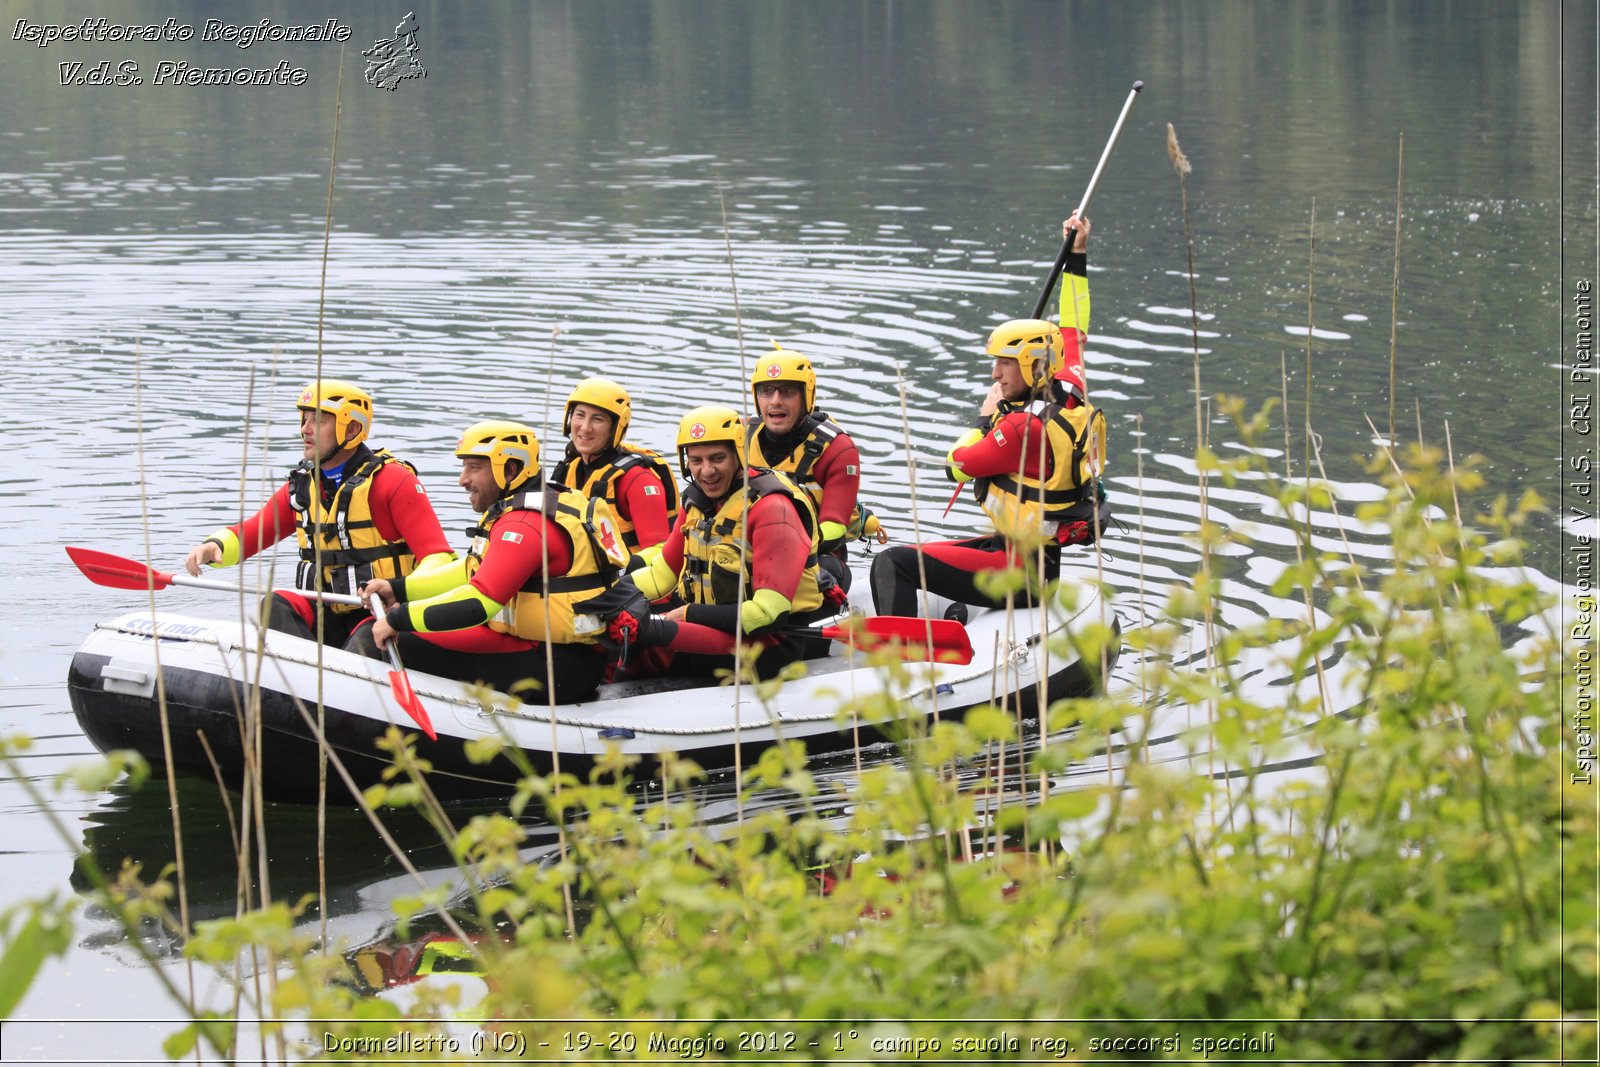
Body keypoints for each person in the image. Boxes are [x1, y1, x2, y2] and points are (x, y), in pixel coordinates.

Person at [870, 217, 1109, 620]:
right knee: (936, 555)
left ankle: (902, 666)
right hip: (1030, 557)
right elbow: (1073, 327)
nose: (995, 375)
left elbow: (958, 467)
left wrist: (984, 419)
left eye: (1004, 364)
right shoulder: (1069, 386)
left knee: (891, 563)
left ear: (1033, 364)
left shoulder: (1019, 428)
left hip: (1018, 576)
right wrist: (1077, 254)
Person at [354, 421, 630, 704]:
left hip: (555, 668)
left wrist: (401, 618)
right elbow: (473, 571)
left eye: (474, 468)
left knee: (370, 637)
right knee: (380, 628)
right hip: (569, 658)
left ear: (510, 469)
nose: (463, 479)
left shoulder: (524, 525)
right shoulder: (528, 507)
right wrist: (398, 590)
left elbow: (478, 604)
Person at [183, 379, 454, 647]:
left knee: (366, 638)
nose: (305, 430)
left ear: (352, 429)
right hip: (327, 615)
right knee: (274, 604)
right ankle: (302, 680)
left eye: (318, 421)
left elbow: (439, 558)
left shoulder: (392, 481)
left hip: (379, 615)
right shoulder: (302, 487)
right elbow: (251, 533)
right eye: (303, 419)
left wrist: (398, 590)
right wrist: (212, 546)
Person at [592, 405, 832, 682]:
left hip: (767, 644)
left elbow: (768, 614)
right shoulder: (698, 500)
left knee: (640, 634)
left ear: (737, 456)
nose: (706, 471)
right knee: (612, 622)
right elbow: (661, 576)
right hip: (714, 626)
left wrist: (689, 614)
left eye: (717, 458)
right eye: (696, 461)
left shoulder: (773, 510)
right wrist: (602, 596)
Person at [744, 345, 883, 592]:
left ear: (806, 395)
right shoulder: (738, 437)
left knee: (827, 568)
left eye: (787, 392)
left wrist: (772, 551)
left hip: (817, 557)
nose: (775, 402)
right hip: (744, 550)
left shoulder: (838, 448)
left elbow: (833, 528)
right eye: (766, 392)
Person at [549, 377, 678, 553]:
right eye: (580, 415)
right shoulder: (568, 468)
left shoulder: (639, 479)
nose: (585, 428)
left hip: (626, 577)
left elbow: (659, 556)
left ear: (616, 427)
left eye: (597, 419)